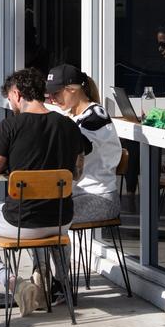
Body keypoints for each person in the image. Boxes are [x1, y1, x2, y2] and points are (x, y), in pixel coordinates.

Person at [0, 67, 87, 314]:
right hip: (61, 221)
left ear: (17, 94)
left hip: (21, 223)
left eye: (9, 98)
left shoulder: (10, 126)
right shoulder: (69, 126)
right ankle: (49, 281)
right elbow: (77, 174)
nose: (10, 103)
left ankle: (15, 283)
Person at [46, 64, 122, 223]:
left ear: (72, 89)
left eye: (56, 93)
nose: (52, 99)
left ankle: (58, 248)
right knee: (31, 214)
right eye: (49, 95)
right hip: (75, 194)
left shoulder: (96, 115)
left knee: (43, 219)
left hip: (100, 198)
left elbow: (78, 148)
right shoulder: (72, 115)